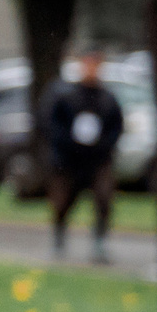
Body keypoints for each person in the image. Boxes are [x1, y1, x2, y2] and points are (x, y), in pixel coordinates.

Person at [46, 50, 124, 262]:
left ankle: (100, 243)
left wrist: (103, 146)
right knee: (63, 201)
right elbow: (54, 126)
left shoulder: (107, 98)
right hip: (70, 160)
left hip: (98, 160)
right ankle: (59, 239)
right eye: (88, 65)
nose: (91, 70)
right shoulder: (67, 96)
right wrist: (68, 147)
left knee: (103, 198)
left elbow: (116, 127)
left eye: (95, 65)